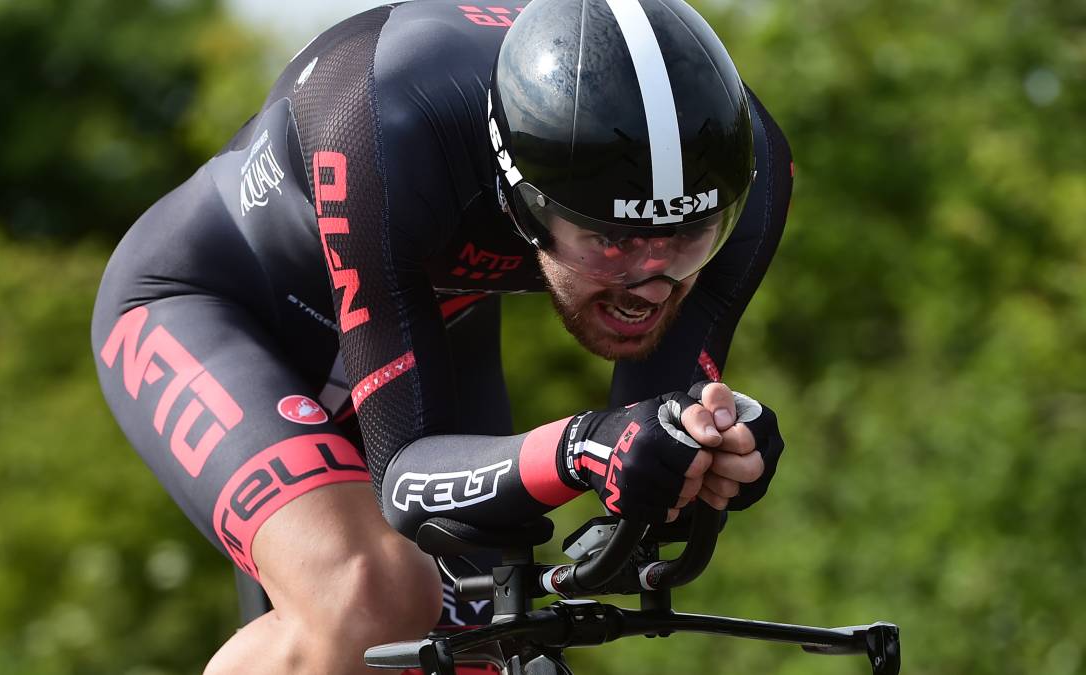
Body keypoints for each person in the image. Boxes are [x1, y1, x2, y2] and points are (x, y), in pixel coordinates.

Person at [91, 0, 793, 672]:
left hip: (423, 313)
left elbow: (645, 455)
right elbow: (406, 476)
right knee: (370, 594)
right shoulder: (384, 113)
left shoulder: (744, 165)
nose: (651, 281)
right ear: (519, 191)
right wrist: (583, 444)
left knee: (488, 635)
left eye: (686, 242)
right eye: (609, 239)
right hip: (209, 305)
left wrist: (707, 452)